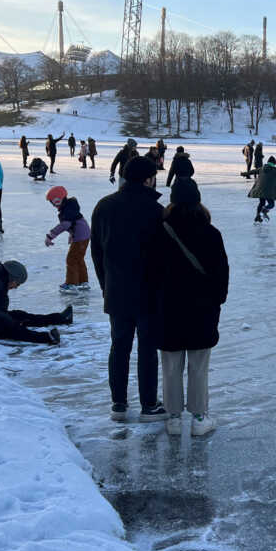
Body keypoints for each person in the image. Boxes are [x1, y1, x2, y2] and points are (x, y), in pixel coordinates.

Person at [91, 156, 168, 422]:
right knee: (147, 348)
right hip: (149, 293)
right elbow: (164, 258)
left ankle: (118, 404)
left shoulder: (104, 206)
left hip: (117, 290)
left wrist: (106, 285)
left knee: (119, 346)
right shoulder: (157, 211)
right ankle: (148, 405)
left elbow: (97, 253)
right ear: (148, 179)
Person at [153, 178, 229, 436]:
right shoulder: (211, 233)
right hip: (202, 311)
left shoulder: (159, 232)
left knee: (171, 366)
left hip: (168, 310)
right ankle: (198, 418)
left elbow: (149, 274)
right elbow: (222, 274)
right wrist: (217, 301)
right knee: (198, 367)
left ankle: (173, 418)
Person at [45, 185, 91, 292]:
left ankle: (71, 284)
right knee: (78, 259)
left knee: (71, 259)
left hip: (80, 237)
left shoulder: (67, 210)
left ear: (57, 200)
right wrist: (72, 234)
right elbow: (74, 223)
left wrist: (50, 236)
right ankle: (83, 282)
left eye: (52, 202)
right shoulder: (69, 207)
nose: (52, 205)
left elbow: (65, 225)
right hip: (83, 235)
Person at [248, 156, 276, 222]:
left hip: (260, 189)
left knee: (261, 203)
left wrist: (244, 173)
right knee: (271, 204)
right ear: (274, 163)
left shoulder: (261, 168)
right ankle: (264, 210)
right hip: (268, 191)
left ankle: (257, 216)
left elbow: (253, 171)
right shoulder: (275, 170)